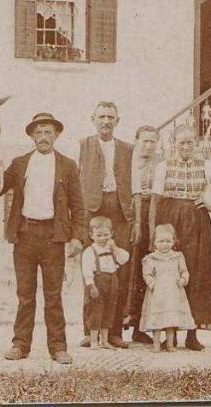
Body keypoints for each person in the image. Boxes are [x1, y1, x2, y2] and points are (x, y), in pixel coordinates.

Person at [0, 111, 86, 365]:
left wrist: (78, 237)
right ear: (31, 136)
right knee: (25, 295)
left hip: (53, 238)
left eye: (48, 132)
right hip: (24, 236)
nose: (43, 137)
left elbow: (78, 206)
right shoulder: (19, 163)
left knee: (53, 295)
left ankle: (58, 347)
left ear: (57, 135)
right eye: (38, 132)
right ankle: (20, 344)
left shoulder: (67, 165)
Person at [148, 123, 211, 349]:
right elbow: (155, 202)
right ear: (175, 144)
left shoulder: (207, 166)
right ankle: (171, 334)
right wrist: (153, 233)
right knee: (169, 274)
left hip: (198, 225)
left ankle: (192, 335)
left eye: (190, 142)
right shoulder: (164, 167)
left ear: (196, 144)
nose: (185, 146)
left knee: (197, 275)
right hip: (171, 223)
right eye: (181, 142)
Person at [77, 100, 133, 348]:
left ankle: (114, 332)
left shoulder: (128, 149)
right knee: (92, 272)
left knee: (116, 273)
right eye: (101, 117)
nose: (106, 121)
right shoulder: (82, 146)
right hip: (93, 209)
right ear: (93, 119)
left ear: (117, 121)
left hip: (119, 209)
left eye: (111, 117)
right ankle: (90, 331)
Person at [125, 124, 161, 344]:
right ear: (136, 141)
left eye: (152, 141)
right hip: (130, 215)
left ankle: (141, 326)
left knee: (144, 269)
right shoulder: (128, 162)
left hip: (153, 215)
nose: (148, 145)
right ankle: (119, 322)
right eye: (144, 141)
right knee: (128, 268)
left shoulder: (161, 163)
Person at [140, 223, 194, 352]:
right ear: (154, 243)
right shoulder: (151, 258)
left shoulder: (177, 257)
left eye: (168, 241)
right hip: (158, 294)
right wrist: (152, 284)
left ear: (174, 241)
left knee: (171, 320)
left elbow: (184, 271)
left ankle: (170, 344)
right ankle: (156, 344)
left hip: (173, 293)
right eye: (161, 241)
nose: (165, 244)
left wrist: (183, 279)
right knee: (157, 320)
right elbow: (147, 274)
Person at [80, 216, 130, 350]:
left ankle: (105, 340)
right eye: (99, 235)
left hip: (112, 282)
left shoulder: (111, 249)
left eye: (106, 235)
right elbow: (86, 270)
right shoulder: (90, 251)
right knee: (96, 311)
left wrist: (114, 247)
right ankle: (94, 341)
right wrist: (91, 285)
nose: (102, 238)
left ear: (112, 234)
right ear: (91, 235)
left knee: (109, 311)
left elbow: (125, 258)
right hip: (98, 282)